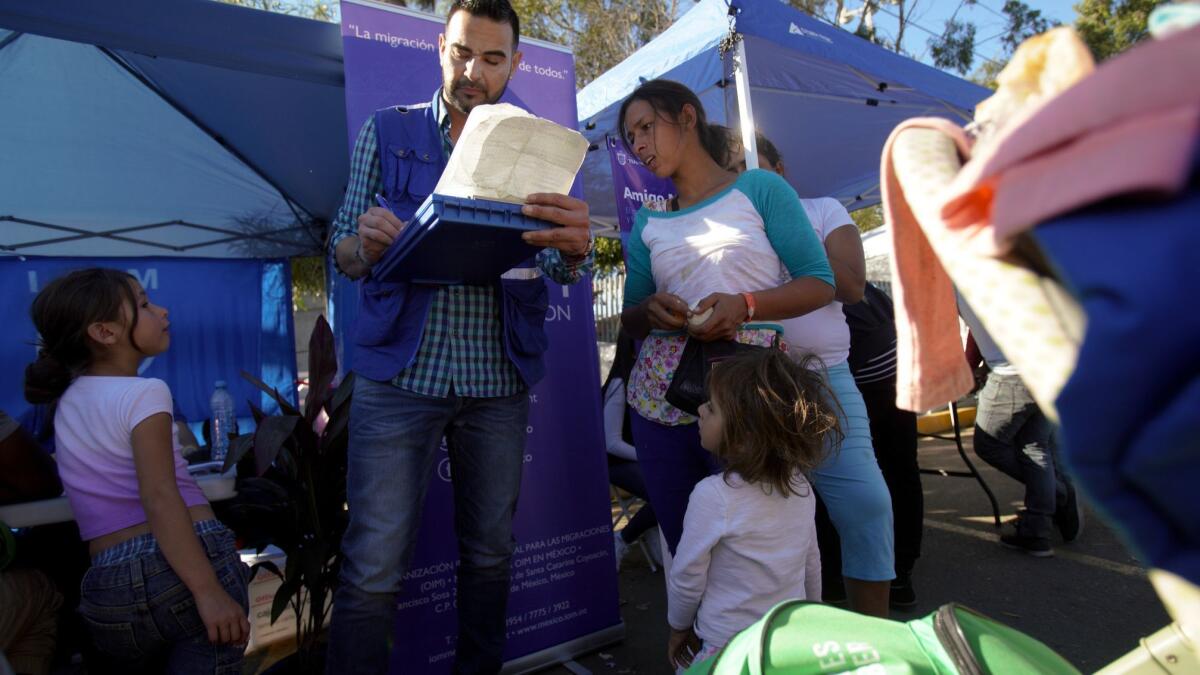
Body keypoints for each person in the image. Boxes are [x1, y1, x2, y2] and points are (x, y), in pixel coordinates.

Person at [324, 1, 594, 671]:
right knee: (372, 565)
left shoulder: (539, 143)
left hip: (497, 379)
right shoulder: (386, 133)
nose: (474, 71)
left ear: (516, 62)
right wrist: (360, 241)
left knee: (491, 555)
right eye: (462, 53)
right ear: (441, 46)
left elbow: (557, 265)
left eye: (493, 58)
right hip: (398, 377)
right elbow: (340, 251)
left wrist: (576, 247)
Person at [22, 268, 250, 672]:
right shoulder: (147, 392)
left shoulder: (68, 401)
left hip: (107, 584)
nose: (161, 311)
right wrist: (208, 591)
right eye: (144, 305)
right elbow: (160, 497)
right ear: (105, 332)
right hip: (183, 567)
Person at [711, 126, 894, 615]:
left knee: (867, 505)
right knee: (762, 518)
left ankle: (872, 638)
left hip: (824, 380)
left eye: (758, 173)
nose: (749, 186)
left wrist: (792, 245)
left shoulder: (820, 211)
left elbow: (853, 286)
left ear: (780, 171)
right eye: (735, 176)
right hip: (754, 385)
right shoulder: (726, 230)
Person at [666, 349, 838, 670]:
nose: (700, 409)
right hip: (787, 641)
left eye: (713, 407)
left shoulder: (713, 496)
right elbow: (810, 561)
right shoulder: (800, 485)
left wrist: (678, 626)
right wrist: (814, 617)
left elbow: (688, 575)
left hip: (728, 645)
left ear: (745, 439)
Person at [959, 296, 1082, 557]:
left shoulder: (954, 271)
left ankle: (1059, 494)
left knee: (988, 444)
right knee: (1034, 447)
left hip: (1014, 371)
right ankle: (1036, 531)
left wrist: (967, 367)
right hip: (1053, 361)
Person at [602, 330, 660, 570]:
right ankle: (622, 539)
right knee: (662, 492)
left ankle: (648, 527)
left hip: (643, 459)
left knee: (679, 486)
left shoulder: (652, 380)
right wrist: (648, 458)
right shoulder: (619, 383)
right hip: (615, 463)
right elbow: (611, 443)